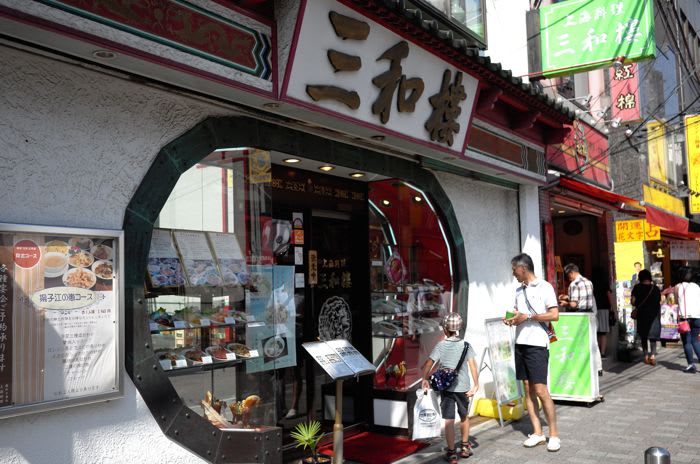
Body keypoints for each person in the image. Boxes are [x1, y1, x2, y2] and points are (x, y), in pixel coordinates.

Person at [505, 253, 560, 452]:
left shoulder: (545, 287)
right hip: (520, 343)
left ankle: (554, 434)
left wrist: (527, 317)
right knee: (527, 388)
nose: (513, 273)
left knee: (541, 390)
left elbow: (554, 315)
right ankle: (538, 432)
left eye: (514, 269)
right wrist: (511, 319)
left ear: (523, 268)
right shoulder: (518, 290)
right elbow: (517, 313)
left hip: (537, 344)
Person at [421, 313, 478, 464]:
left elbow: (428, 364)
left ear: (445, 329)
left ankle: (452, 453)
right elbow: (473, 366)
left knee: (449, 420)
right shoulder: (466, 345)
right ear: (459, 328)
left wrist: (424, 379)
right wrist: (476, 384)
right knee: (464, 416)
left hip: (446, 389)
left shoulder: (440, 345)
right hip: (463, 388)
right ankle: (465, 447)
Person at [558, 263, 603, 376]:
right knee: (593, 341)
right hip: (590, 314)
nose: (569, 278)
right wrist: (567, 297)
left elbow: (574, 304)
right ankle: (598, 367)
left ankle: (582, 367)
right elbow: (583, 297)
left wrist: (565, 303)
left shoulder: (574, 284)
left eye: (568, 276)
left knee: (580, 342)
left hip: (579, 315)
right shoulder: (588, 282)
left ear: (571, 273)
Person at [631, 269, 662, 365]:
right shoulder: (655, 289)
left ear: (640, 278)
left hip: (642, 315)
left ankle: (645, 356)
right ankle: (652, 356)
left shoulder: (637, 287)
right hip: (654, 316)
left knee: (644, 336)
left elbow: (633, 301)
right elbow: (659, 301)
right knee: (653, 337)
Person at [673, 268, 700, 373]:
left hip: (685, 318)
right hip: (697, 317)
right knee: (695, 341)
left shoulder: (678, 287)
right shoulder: (697, 286)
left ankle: (691, 365)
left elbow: (676, 301)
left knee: (687, 342)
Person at [591, 267, 616, 359]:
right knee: (603, 332)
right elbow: (609, 296)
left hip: (593, 309)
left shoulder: (591, 284)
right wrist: (613, 309)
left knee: (596, 332)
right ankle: (602, 352)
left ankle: (596, 351)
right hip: (604, 309)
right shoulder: (605, 284)